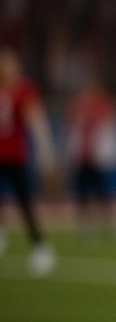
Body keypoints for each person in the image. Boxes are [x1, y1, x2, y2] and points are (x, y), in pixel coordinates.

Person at [0, 46, 58, 276]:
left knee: (24, 202)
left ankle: (40, 246)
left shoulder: (23, 90)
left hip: (15, 156)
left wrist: (46, 152)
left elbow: (36, 121)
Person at [64, 74, 116, 242]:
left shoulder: (100, 104)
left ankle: (107, 224)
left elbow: (111, 125)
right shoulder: (79, 104)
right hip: (82, 156)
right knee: (84, 192)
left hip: (96, 155)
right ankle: (87, 226)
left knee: (101, 192)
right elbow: (70, 128)